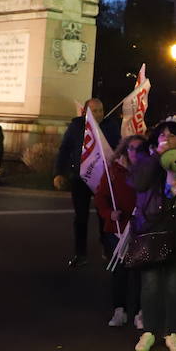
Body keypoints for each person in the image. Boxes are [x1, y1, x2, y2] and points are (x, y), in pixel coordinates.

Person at [128, 121, 176, 351]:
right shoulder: (147, 162)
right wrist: (157, 157)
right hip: (152, 230)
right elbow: (138, 182)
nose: (167, 139)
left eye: (172, 136)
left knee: (175, 286)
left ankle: (172, 331)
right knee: (151, 285)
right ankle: (149, 331)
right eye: (163, 135)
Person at [54, 98, 112, 267]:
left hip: (103, 178)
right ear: (86, 112)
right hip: (80, 179)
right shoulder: (76, 127)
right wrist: (59, 173)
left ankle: (107, 248)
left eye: (101, 110)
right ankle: (80, 253)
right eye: (94, 111)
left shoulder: (110, 126)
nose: (99, 114)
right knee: (81, 217)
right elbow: (64, 150)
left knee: (105, 215)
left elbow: (117, 148)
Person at [94, 134, 143, 329]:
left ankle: (140, 312)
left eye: (139, 149)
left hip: (139, 229)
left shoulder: (146, 171)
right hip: (117, 230)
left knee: (139, 273)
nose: (134, 152)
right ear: (124, 150)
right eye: (131, 148)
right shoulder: (113, 171)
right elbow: (100, 197)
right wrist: (108, 213)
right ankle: (119, 310)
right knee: (119, 272)